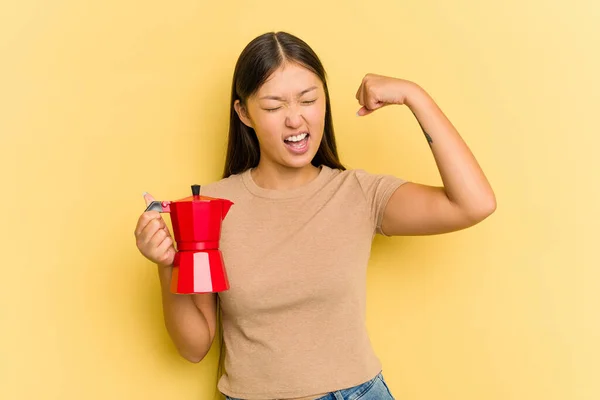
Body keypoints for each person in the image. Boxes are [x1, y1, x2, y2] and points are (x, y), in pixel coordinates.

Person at [134, 31, 496, 400]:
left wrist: (414, 96)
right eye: (274, 107)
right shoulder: (209, 207)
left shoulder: (358, 194)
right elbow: (193, 347)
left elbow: (473, 204)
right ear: (244, 113)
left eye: (309, 99)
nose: (295, 120)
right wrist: (166, 263)